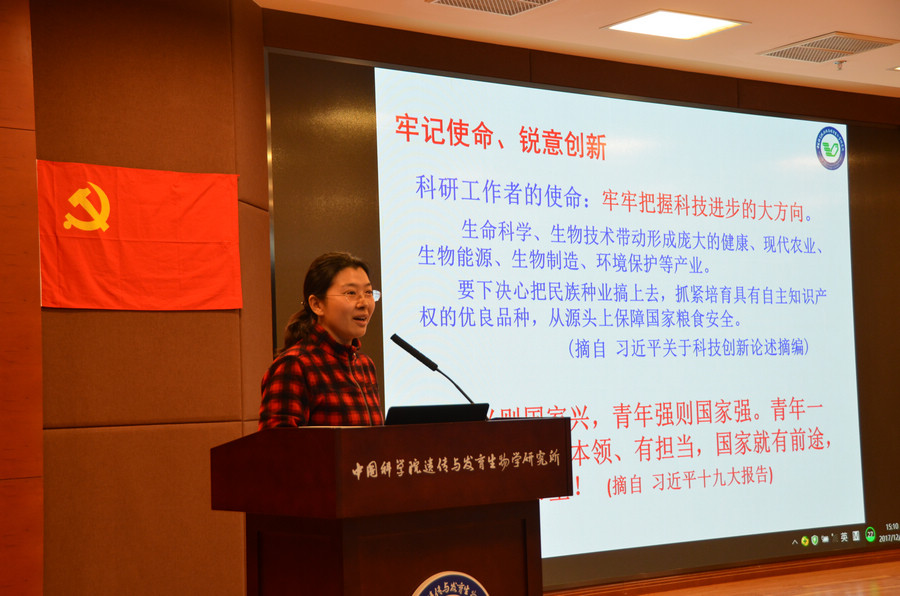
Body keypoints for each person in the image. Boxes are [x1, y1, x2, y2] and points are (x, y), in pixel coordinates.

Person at [258, 252, 384, 428]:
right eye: (351, 293)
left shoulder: (365, 365)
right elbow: (277, 443)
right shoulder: (295, 366)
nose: (364, 303)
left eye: (368, 292)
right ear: (317, 304)